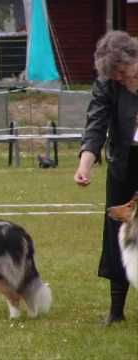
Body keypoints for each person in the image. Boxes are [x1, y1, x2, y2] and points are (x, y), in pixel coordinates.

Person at [74, 30, 138, 326]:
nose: (123, 81)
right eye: (117, 79)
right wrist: (86, 162)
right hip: (124, 162)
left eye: (126, 74)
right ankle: (116, 310)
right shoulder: (108, 82)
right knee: (116, 231)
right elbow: (97, 121)